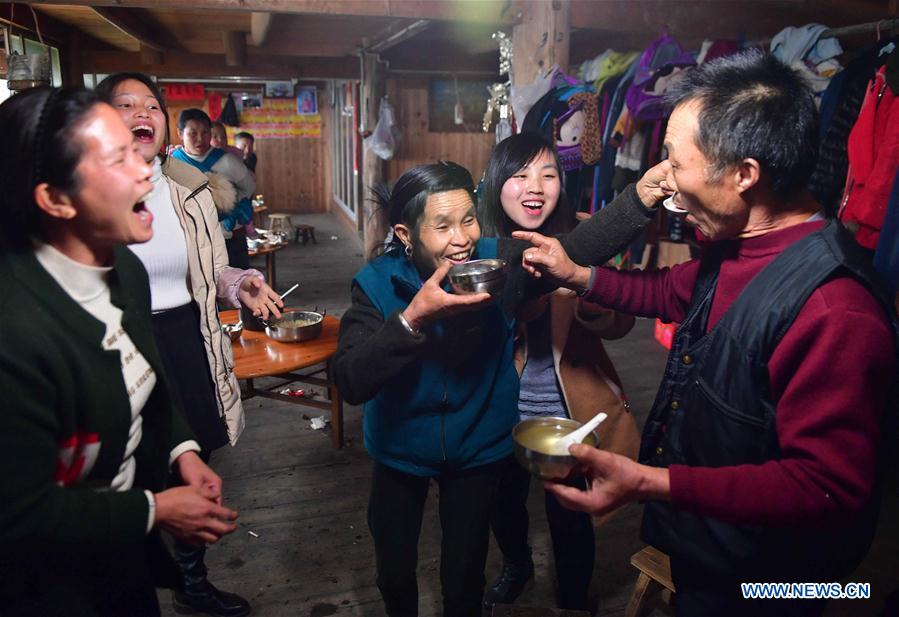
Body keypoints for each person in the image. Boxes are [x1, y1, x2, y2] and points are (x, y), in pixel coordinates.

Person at [515, 50, 898, 617]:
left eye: (674, 163)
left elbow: (828, 489)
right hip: (712, 548)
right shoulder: (741, 245)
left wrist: (653, 482)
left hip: (774, 582)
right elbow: (669, 292)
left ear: (744, 175)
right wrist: (578, 274)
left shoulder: (834, 312)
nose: (663, 185)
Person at [333, 159, 667, 617]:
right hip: (399, 450)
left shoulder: (498, 261)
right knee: (394, 569)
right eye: (442, 225)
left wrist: (642, 196)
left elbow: (574, 247)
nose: (462, 237)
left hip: (478, 449)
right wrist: (413, 319)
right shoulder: (375, 284)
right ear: (407, 235)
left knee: (466, 574)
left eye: (468, 219)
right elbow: (351, 379)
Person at [0, 86, 238, 616]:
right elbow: (18, 513)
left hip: (120, 554)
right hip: (40, 584)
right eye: (117, 157)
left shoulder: (124, 272)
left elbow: (148, 379)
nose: (145, 172)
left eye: (138, 151)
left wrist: (183, 450)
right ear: (56, 199)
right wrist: (154, 508)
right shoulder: (15, 332)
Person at [96, 72, 284, 617]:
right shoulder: (86, 192)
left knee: (191, 453)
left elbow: (213, 269)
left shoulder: (189, 193)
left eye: (151, 105)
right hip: (120, 342)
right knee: (127, 462)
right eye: (125, 104)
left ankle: (192, 583)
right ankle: (127, 576)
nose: (142, 113)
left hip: (184, 336)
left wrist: (241, 282)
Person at [478, 133, 640, 611]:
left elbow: (623, 320)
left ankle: (573, 593)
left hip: (570, 410)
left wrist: (580, 288)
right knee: (503, 504)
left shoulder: (592, 234)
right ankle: (516, 564)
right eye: (520, 174)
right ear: (495, 184)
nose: (536, 185)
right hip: (501, 406)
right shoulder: (482, 244)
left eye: (548, 174)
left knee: (569, 510)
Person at [172, 109, 255, 269]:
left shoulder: (227, 161)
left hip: (229, 238)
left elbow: (249, 187)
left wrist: (230, 206)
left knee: (237, 286)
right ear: (180, 133)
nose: (200, 139)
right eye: (193, 133)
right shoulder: (174, 164)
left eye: (205, 132)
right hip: (191, 240)